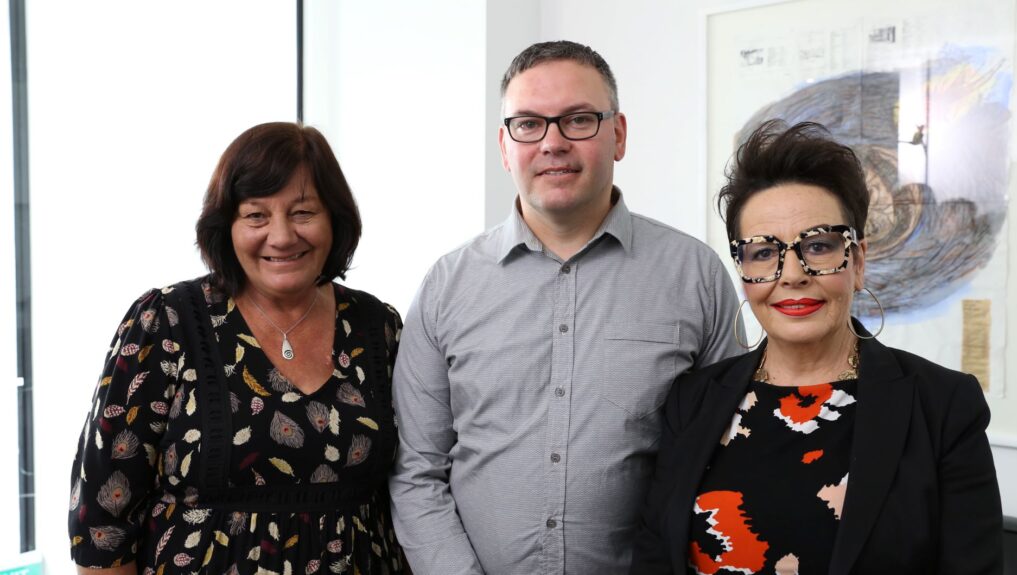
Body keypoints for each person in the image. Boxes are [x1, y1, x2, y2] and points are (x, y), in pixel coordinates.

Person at [389, 40, 743, 574]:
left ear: (618, 134)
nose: (553, 143)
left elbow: (726, 459)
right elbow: (416, 471)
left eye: (578, 120)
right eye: (528, 124)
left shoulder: (695, 275)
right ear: (505, 147)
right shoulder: (446, 286)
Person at [631, 120, 1003, 574]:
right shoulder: (691, 401)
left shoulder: (942, 405)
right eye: (763, 252)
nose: (792, 274)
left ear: (858, 261)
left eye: (819, 246)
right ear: (743, 271)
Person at [69, 122, 405, 574]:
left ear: (335, 218)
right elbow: (102, 525)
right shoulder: (165, 321)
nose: (282, 236)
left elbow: (413, 490)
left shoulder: (378, 328)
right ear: (226, 226)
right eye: (256, 215)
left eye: (303, 212)